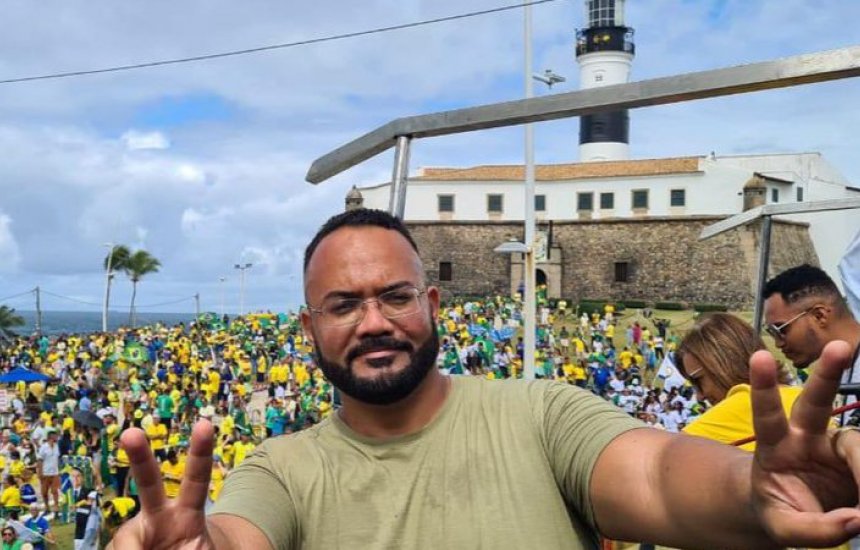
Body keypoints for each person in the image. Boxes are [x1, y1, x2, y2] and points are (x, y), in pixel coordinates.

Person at [113, 208, 860, 549]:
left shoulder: (541, 416)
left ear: (432, 305)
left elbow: (658, 473)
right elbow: (240, 533)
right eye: (343, 305)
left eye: (396, 296)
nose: (374, 322)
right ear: (309, 329)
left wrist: (748, 490)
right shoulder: (281, 467)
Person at [676, 313, 802, 450]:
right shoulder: (801, 397)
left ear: (724, 364)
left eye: (698, 379)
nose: (700, 396)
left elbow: (667, 458)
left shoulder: (741, 403)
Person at [763, 264, 860, 422]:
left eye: (780, 329)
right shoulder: (844, 371)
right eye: (771, 333)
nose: (778, 344)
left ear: (819, 316)